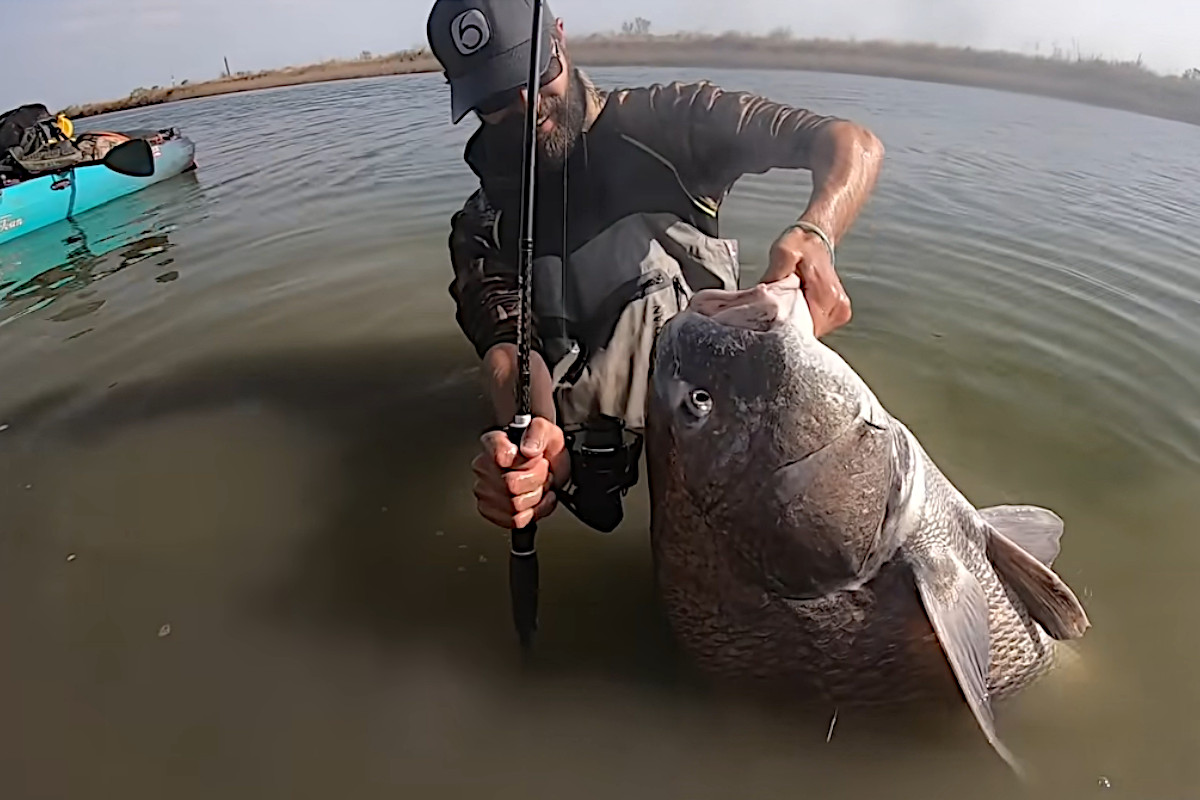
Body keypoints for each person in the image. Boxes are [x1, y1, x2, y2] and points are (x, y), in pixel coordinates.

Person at [425, 0, 885, 532]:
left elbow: (850, 143)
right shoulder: (481, 225)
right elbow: (506, 354)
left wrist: (817, 230)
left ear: (560, 41)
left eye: (536, 73)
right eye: (498, 97)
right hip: (583, 424)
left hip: (716, 396)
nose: (527, 105)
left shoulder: (672, 122)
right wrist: (533, 444)